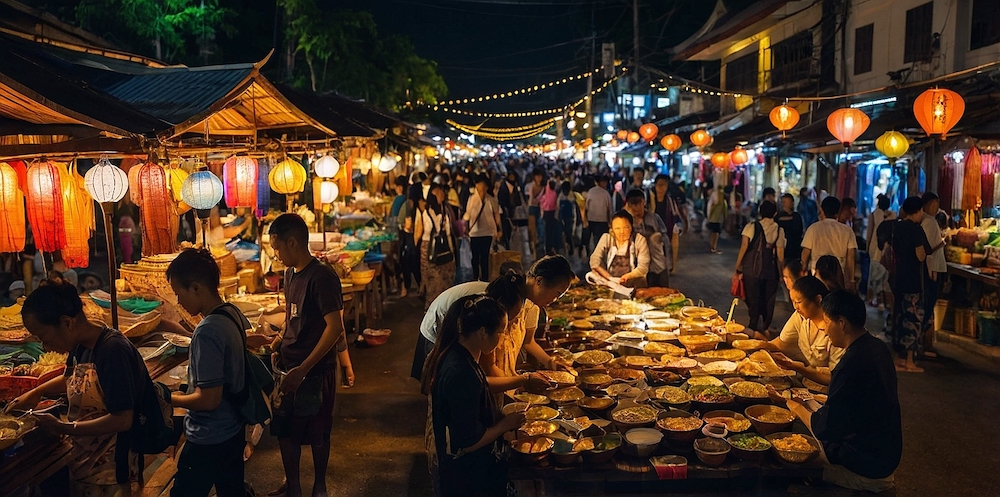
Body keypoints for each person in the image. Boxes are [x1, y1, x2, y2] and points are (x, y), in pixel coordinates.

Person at [10, 282, 151, 495]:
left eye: (44, 338)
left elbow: (122, 419)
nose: (46, 347)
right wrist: (35, 393)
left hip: (113, 469)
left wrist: (64, 427)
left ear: (67, 323)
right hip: (85, 460)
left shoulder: (113, 351)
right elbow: (70, 378)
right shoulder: (80, 345)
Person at [773, 290, 901, 493]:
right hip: (886, 454)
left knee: (785, 455)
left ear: (841, 323)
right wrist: (811, 400)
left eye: (826, 322)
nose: (824, 330)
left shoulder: (850, 364)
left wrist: (795, 405)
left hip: (865, 463)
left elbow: (827, 428)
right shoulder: (878, 348)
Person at [267, 213, 355, 497]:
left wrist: (303, 369)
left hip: (314, 371)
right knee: (285, 431)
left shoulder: (323, 277)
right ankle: (293, 486)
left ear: (292, 242)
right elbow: (292, 317)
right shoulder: (290, 273)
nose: (276, 255)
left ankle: (319, 486)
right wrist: (278, 341)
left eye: (277, 248)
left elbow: (334, 328)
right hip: (289, 366)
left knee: (317, 433)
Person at [424, 295, 525, 497]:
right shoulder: (460, 372)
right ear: (481, 332)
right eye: (500, 332)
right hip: (466, 477)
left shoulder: (459, 353)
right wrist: (505, 424)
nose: (502, 338)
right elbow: (468, 442)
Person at [166, 249, 248, 497]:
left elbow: (209, 399)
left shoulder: (207, 331)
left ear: (197, 288)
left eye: (179, 293)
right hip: (233, 429)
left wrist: (167, 399)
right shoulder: (230, 313)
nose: (178, 302)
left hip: (209, 437)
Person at [479, 256, 576, 381]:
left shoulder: (529, 303)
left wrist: (550, 362)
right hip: (493, 382)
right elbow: (489, 365)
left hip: (505, 379)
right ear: (539, 281)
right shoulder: (509, 302)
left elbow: (528, 341)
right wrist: (521, 382)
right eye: (557, 294)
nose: (555, 300)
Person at [765, 276, 844, 385]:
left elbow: (835, 378)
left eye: (798, 302)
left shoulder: (835, 328)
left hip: (827, 390)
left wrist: (799, 368)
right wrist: (758, 349)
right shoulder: (800, 316)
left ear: (818, 299)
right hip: (806, 382)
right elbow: (782, 342)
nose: (795, 307)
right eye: (793, 302)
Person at [890, 196, 931, 373]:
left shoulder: (896, 227)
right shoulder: (916, 230)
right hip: (913, 280)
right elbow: (920, 255)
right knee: (913, 318)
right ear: (919, 210)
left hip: (898, 278)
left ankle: (897, 359)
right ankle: (909, 361)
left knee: (899, 316)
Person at [734, 200, 785, 336]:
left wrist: (738, 265)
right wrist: (781, 273)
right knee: (768, 298)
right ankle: (766, 326)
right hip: (770, 270)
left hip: (751, 268)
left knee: (753, 296)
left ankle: (753, 324)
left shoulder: (751, 227)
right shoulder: (779, 230)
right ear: (775, 213)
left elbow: (744, 247)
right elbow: (780, 255)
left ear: (760, 212)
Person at [801, 196, 857, 289]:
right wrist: (851, 279)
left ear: (822, 210)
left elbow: (806, 252)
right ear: (838, 211)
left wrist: (803, 269)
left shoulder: (813, 228)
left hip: (817, 273)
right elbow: (851, 256)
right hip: (838, 273)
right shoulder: (847, 231)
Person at [415, 183, 456, 309]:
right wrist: (452, 252)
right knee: (442, 280)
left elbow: (418, 234)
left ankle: (431, 307)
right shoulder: (444, 212)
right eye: (439, 193)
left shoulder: (425, 213)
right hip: (443, 249)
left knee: (432, 280)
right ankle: (444, 307)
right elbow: (449, 233)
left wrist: (416, 247)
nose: (441, 194)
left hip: (429, 250)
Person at [590, 210, 650, 287]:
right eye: (617, 228)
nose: (621, 232)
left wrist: (627, 277)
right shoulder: (606, 238)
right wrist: (610, 278)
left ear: (631, 227)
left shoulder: (639, 240)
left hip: (634, 284)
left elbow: (643, 268)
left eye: (625, 227)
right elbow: (594, 261)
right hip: (610, 283)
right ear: (612, 229)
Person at [624, 189, 671, 287]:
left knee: (664, 293)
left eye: (639, 203)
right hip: (639, 267)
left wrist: (658, 239)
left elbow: (666, 238)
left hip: (658, 264)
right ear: (629, 205)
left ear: (643, 202)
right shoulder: (627, 222)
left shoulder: (654, 218)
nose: (637, 208)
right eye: (633, 205)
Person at [920, 192, 946, 355]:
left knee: (928, 306)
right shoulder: (929, 221)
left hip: (931, 269)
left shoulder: (926, 220)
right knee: (928, 306)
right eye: (935, 203)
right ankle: (923, 342)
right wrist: (942, 243)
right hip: (933, 269)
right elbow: (928, 249)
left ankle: (925, 342)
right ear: (929, 204)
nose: (937, 207)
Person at [465, 174, 502, 282]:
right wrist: (466, 227)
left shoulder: (491, 200)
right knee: (475, 257)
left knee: (485, 258)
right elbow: (467, 215)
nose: (480, 188)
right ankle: (475, 277)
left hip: (488, 232)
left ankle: (485, 280)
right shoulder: (472, 199)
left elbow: (497, 215)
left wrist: (499, 229)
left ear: (486, 186)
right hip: (474, 233)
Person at [866, 194, 895, 309]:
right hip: (888, 249)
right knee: (885, 276)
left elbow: (869, 233)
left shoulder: (874, 215)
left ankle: (877, 300)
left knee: (875, 275)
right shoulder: (893, 216)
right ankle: (885, 301)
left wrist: (867, 248)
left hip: (875, 249)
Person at [649, 174, 683, 271]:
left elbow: (675, 215)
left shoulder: (670, 201)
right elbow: (651, 212)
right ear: (655, 185)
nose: (662, 188)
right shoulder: (649, 198)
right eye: (659, 185)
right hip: (653, 230)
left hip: (667, 229)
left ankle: (672, 266)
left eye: (664, 185)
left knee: (671, 244)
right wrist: (652, 199)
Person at [585, 175, 613, 249]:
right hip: (602, 220)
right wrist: (610, 221)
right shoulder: (606, 193)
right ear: (601, 183)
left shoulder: (591, 191)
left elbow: (586, 206)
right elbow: (610, 209)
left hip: (591, 219)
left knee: (594, 237)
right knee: (600, 239)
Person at [775, 193, 804, 263]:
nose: (784, 204)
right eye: (783, 202)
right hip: (781, 248)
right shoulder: (777, 216)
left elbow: (798, 231)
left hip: (794, 248)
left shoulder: (796, 216)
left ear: (792, 203)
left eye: (786, 202)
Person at [524, 169, 545, 257]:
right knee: (532, 228)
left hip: (541, 208)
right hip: (532, 207)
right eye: (537, 176)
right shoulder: (529, 186)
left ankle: (538, 244)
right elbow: (527, 198)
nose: (539, 178)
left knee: (540, 227)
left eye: (540, 176)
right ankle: (533, 246)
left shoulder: (544, 187)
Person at [539, 179, 560, 256]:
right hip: (553, 214)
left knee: (547, 232)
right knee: (552, 232)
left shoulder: (545, 195)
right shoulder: (554, 194)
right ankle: (552, 247)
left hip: (546, 215)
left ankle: (548, 249)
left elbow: (542, 204)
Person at [557, 181, 577, 255]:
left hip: (569, 219)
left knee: (568, 234)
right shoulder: (561, 197)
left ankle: (570, 249)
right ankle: (567, 249)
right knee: (565, 234)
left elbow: (574, 210)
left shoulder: (571, 197)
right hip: (563, 218)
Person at [706, 186, 727, 254]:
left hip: (713, 219)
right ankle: (713, 247)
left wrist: (709, 217)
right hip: (717, 219)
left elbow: (709, 210)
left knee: (714, 233)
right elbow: (725, 211)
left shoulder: (713, 201)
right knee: (716, 233)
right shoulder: (721, 201)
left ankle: (712, 246)